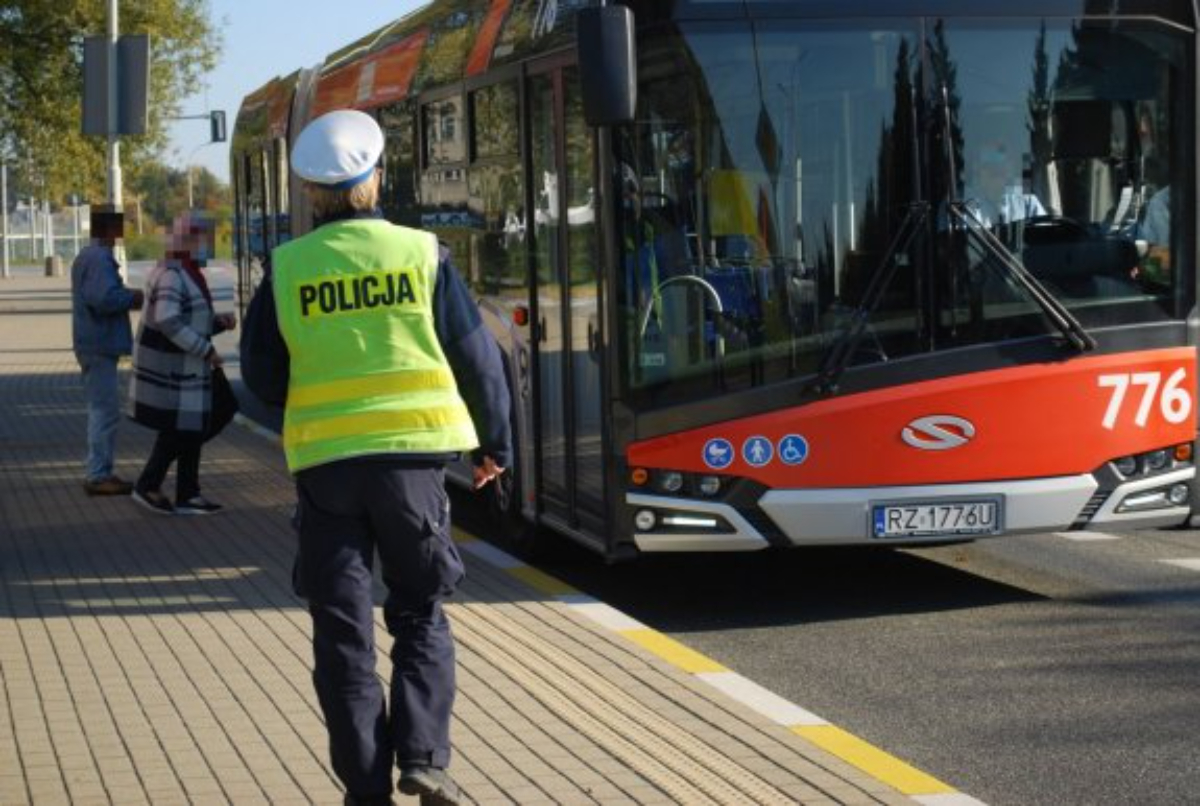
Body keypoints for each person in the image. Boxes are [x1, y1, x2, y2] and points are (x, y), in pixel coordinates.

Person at [243, 109, 511, 806]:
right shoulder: (422, 255)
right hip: (413, 468)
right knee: (420, 610)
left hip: (327, 471)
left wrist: (310, 411)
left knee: (343, 633)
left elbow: (262, 378)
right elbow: (477, 359)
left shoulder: (287, 269)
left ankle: (365, 790)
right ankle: (423, 758)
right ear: (377, 178)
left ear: (310, 194)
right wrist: (492, 445)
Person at [128, 211, 236, 516]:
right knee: (195, 423)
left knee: (192, 425)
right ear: (188, 240)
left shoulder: (183, 270)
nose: (208, 246)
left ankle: (186, 492)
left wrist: (216, 323)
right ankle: (152, 485)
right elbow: (167, 320)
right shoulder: (173, 273)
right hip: (176, 369)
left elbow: (187, 317)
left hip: (186, 368)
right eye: (204, 239)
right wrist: (205, 349)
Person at [71, 205, 144, 496]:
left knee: (101, 410)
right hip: (98, 343)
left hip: (92, 341)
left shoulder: (87, 256)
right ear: (109, 230)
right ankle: (99, 474)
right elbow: (103, 298)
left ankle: (99, 471)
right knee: (105, 411)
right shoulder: (99, 258)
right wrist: (133, 297)